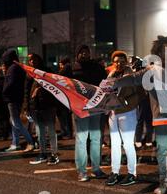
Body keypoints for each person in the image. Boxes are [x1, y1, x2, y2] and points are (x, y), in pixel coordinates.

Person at [100, 36, 167, 194]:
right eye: (164, 49)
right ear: (158, 52)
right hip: (160, 117)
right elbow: (133, 79)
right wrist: (114, 83)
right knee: (162, 151)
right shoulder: (151, 70)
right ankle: (165, 182)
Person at [105, 50, 144, 186]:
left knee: (127, 144)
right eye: (116, 61)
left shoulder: (132, 75)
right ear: (113, 63)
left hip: (127, 112)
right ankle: (114, 172)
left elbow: (140, 94)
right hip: (113, 113)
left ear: (126, 62)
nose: (119, 63)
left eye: (122, 61)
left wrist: (128, 103)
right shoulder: (110, 75)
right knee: (115, 144)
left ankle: (132, 173)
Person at [72, 45, 108, 182]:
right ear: (77, 54)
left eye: (86, 52)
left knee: (96, 137)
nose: (83, 54)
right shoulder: (72, 68)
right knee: (81, 139)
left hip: (95, 107)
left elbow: (105, 85)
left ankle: (96, 169)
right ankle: (81, 171)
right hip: (80, 107)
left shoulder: (97, 67)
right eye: (81, 52)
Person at [25, 54, 60, 166]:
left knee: (51, 131)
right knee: (40, 132)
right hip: (35, 106)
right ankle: (43, 153)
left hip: (48, 106)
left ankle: (54, 154)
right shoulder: (29, 74)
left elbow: (54, 87)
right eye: (30, 60)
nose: (32, 61)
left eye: (34, 59)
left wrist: (40, 90)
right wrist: (27, 107)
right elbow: (26, 92)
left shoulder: (47, 72)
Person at [2, 49, 35, 152]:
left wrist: (4, 91)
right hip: (17, 97)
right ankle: (15, 143)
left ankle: (30, 142)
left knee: (15, 122)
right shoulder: (18, 67)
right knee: (14, 121)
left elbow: (10, 83)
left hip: (11, 98)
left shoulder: (12, 68)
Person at [56, 57, 73, 139]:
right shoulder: (71, 69)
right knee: (67, 116)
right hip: (68, 95)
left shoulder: (65, 70)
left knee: (65, 116)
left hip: (64, 95)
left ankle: (67, 132)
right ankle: (67, 132)